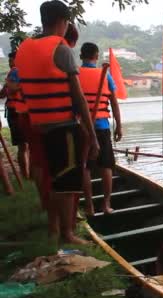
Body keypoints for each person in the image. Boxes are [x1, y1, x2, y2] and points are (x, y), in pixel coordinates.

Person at [14, 0, 99, 244]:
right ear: (63, 21)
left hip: (37, 124)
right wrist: (92, 136)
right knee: (67, 184)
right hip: (62, 127)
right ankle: (67, 233)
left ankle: (53, 228)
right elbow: (78, 96)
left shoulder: (25, 48)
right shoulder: (61, 49)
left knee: (50, 178)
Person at [79, 42, 123, 215]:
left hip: (81, 127)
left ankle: (89, 206)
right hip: (102, 126)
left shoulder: (75, 74)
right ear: (96, 56)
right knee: (106, 166)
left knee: (85, 166)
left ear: (81, 56)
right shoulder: (105, 75)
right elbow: (114, 102)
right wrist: (119, 126)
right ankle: (106, 204)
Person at [1, 52, 29, 180]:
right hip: (22, 110)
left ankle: (26, 175)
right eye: (9, 61)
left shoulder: (14, 72)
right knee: (27, 145)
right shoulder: (24, 70)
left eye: (12, 61)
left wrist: (8, 85)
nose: (10, 64)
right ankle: (28, 175)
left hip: (15, 111)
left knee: (22, 146)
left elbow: (7, 92)